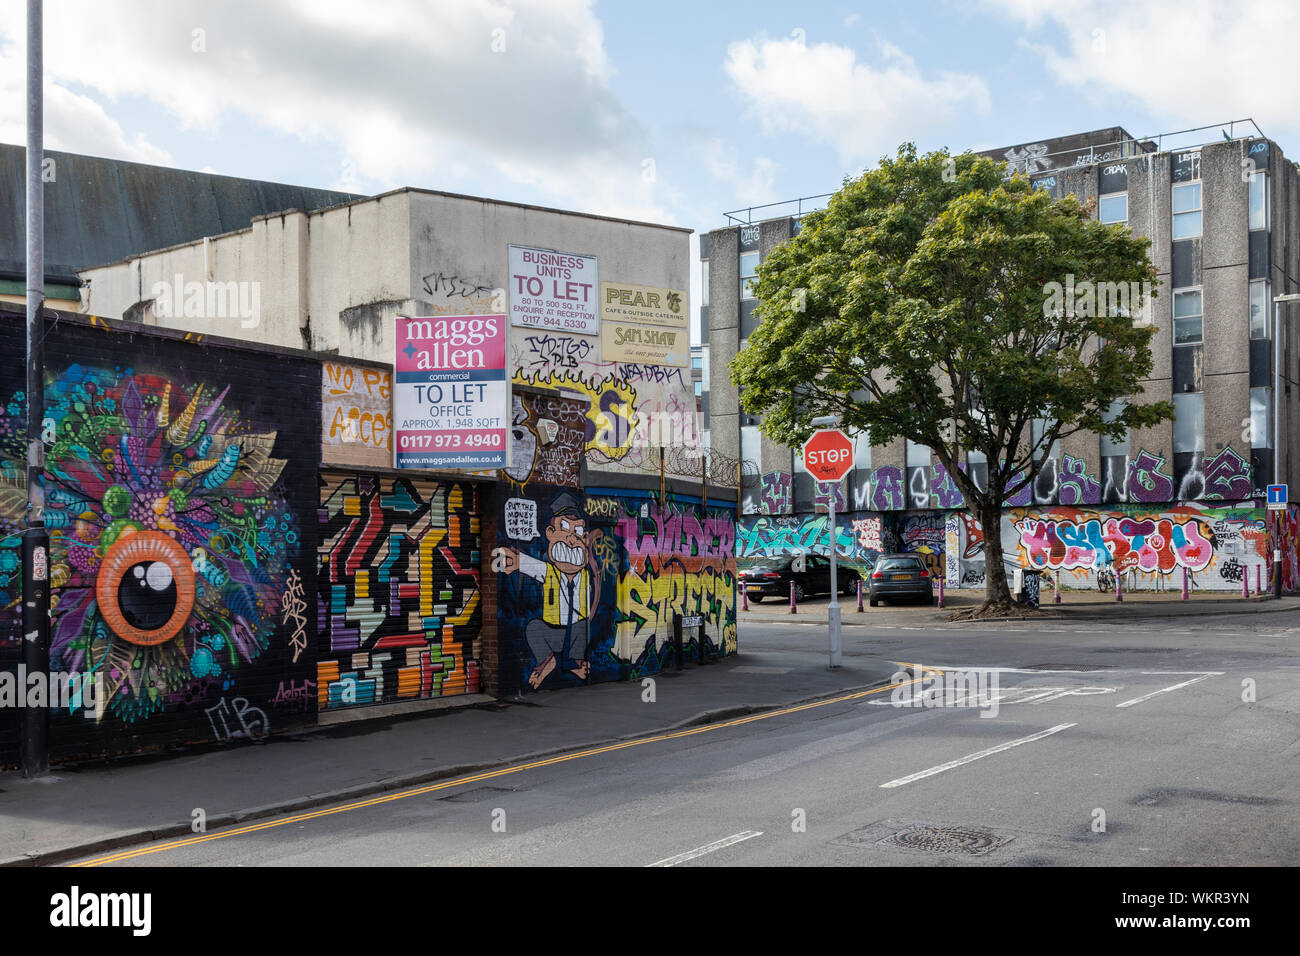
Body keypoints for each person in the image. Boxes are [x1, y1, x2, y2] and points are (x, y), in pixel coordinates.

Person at [496, 493, 602, 689]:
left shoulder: (586, 576)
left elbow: (597, 594)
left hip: (575, 633)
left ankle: (575, 662)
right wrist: (516, 561)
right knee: (533, 628)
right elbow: (532, 566)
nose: (571, 539)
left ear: (585, 537)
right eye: (564, 529)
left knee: (584, 626)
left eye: (577, 531)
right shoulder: (549, 571)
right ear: (550, 533)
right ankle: (547, 660)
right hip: (552, 631)